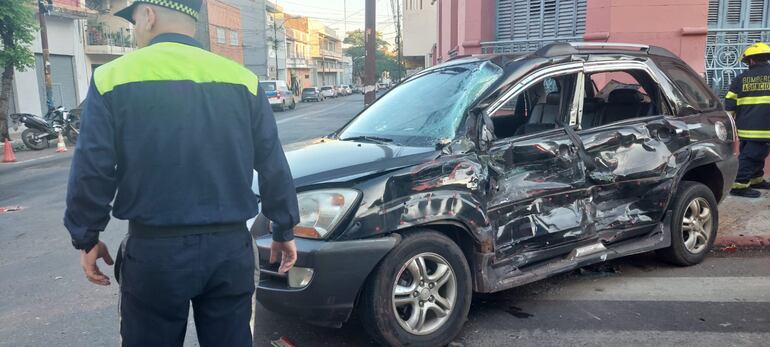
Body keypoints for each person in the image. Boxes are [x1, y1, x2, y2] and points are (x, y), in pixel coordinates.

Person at [63, 1, 299, 346]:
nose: (136, 30)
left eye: (135, 21)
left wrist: (87, 236)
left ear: (149, 14)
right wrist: (283, 227)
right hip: (229, 249)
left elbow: (93, 167)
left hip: (154, 253)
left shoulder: (113, 76)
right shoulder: (243, 80)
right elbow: (272, 161)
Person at [726, 42, 770, 198]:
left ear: (751, 60)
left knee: (755, 154)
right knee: (752, 156)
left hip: (745, 127)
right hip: (766, 127)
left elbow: (730, 104)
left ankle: (755, 179)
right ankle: (739, 185)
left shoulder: (740, 79)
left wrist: (729, 125)